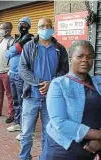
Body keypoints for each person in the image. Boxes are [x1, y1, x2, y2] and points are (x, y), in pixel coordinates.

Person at [18, 17, 69, 160]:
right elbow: (22, 69)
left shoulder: (60, 49)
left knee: (49, 133)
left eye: (48, 26)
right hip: (31, 97)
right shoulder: (29, 46)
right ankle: (24, 157)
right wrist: (40, 83)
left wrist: (51, 83)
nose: (45, 29)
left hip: (52, 99)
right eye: (42, 26)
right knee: (27, 133)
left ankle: (45, 157)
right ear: (37, 28)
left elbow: (64, 71)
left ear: (52, 28)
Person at [41, 40, 101, 160]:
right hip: (63, 147)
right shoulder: (58, 84)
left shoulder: (98, 83)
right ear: (70, 59)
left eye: (89, 57)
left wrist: (98, 141)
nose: (85, 60)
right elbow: (60, 122)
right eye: (80, 56)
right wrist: (98, 135)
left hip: (90, 147)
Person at [5, 17, 34, 138]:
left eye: (24, 24)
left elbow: (14, 50)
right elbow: (9, 52)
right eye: (19, 24)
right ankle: (17, 123)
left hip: (21, 75)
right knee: (15, 100)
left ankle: (27, 129)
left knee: (24, 102)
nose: (21, 26)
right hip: (12, 73)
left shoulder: (28, 38)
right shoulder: (18, 38)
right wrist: (13, 50)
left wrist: (12, 50)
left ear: (28, 26)